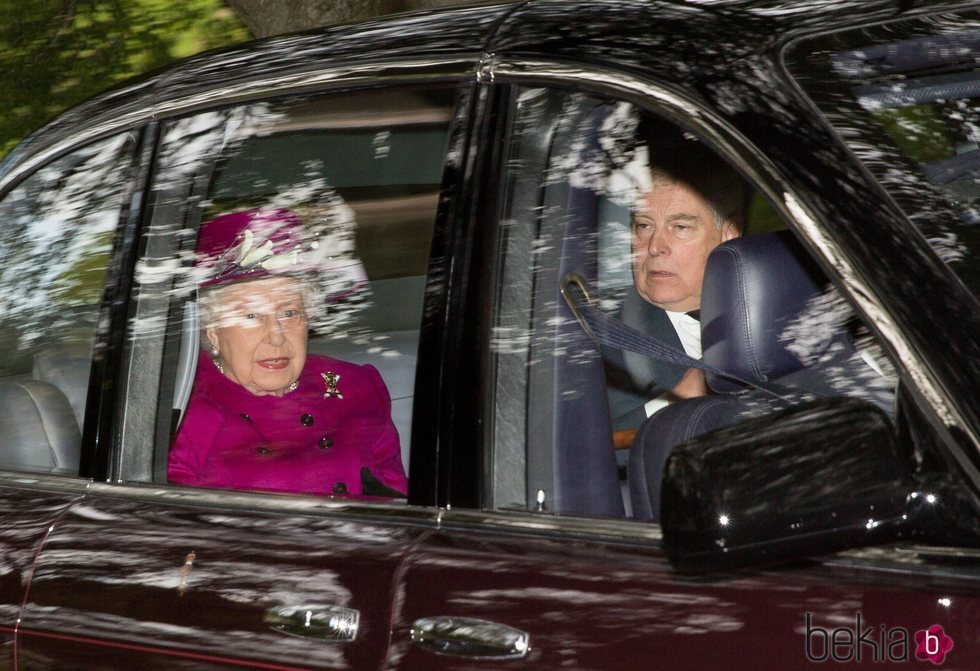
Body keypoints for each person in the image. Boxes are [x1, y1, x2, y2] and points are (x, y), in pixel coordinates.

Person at [168, 208, 408, 499]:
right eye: (251, 316)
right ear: (212, 331)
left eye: (289, 312)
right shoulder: (183, 414)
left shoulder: (354, 386)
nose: (276, 336)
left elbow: (398, 501)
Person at [607, 140, 746, 431]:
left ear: (729, 234)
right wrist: (677, 402)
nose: (655, 246)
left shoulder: (776, 318)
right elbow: (581, 454)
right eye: (644, 226)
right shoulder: (595, 347)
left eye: (680, 227)